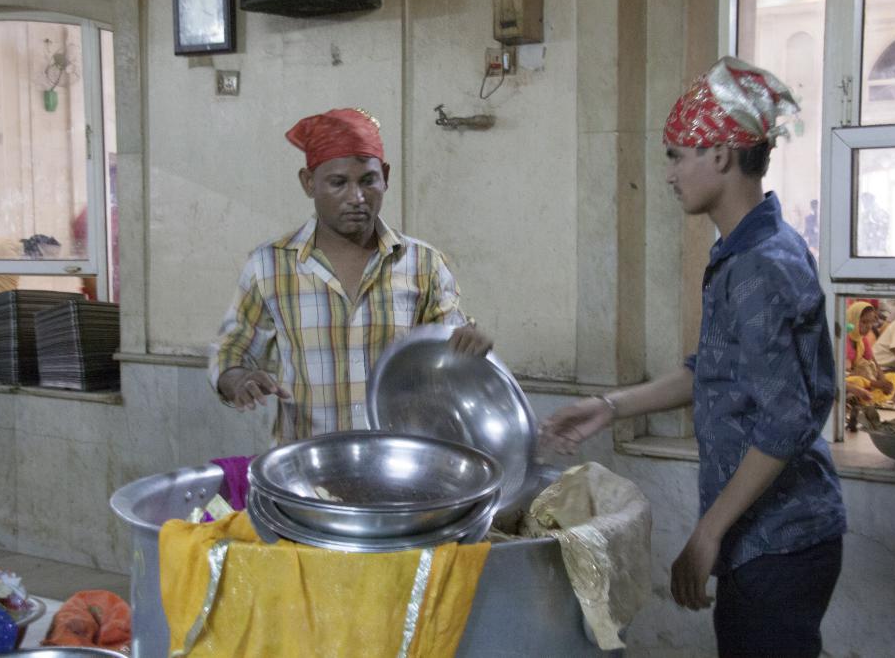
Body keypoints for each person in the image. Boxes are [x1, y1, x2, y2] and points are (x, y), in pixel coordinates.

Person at [541, 57, 846, 658]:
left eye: (677, 155)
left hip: (778, 538)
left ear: (721, 155)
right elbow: (711, 370)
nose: (670, 173)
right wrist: (609, 405)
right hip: (766, 534)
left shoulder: (761, 264)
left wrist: (707, 533)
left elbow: (784, 421)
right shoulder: (747, 249)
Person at [209, 108, 491, 442]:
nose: (356, 198)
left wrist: (471, 349)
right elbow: (232, 350)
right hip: (306, 472)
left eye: (368, 180)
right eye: (338, 183)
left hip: (400, 466)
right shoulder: (269, 267)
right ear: (308, 182)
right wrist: (237, 378)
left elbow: (448, 353)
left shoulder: (423, 264)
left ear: (385, 176)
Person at [844, 301, 895, 406]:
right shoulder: (844, 338)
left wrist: (883, 382)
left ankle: (868, 398)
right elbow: (846, 373)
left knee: (893, 377)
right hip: (851, 380)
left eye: (871, 322)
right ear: (854, 319)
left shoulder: (862, 340)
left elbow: (875, 363)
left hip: (866, 379)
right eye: (864, 322)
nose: (869, 326)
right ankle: (869, 398)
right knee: (856, 381)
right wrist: (875, 384)